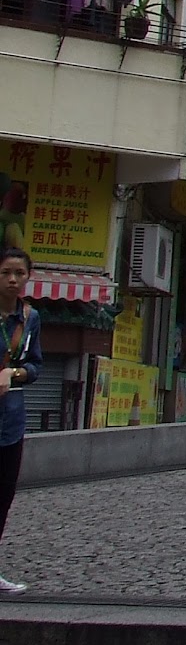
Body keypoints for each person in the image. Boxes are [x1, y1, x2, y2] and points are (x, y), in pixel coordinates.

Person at [0, 247, 42, 593]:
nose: (13, 280)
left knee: (3, 496)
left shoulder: (30, 318)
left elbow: (36, 366)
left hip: (10, 421)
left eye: (19, 274)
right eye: (5, 273)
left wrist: (15, 373)